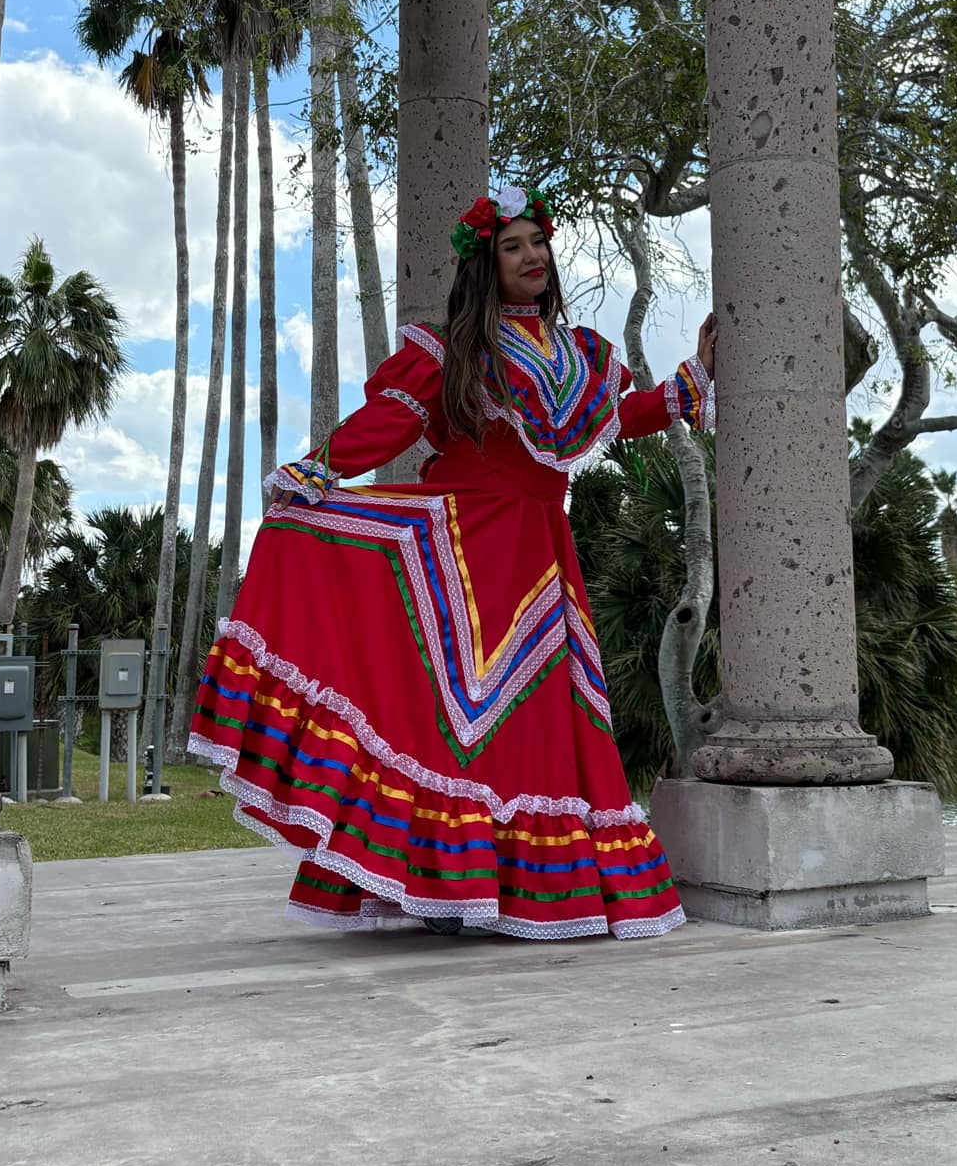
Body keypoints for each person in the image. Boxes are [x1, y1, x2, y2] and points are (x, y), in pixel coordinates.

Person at [189, 183, 716, 941]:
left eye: (537, 241)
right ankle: (436, 883)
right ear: (487, 264)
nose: (532, 255)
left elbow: (619, 416)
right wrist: (317, 470)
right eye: (512, 246)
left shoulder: (582, 354)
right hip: (455, 541)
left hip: (537, 551)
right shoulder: (454, 349)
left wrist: (688, 383)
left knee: (530, 719)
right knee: (436, 716)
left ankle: (494, 884)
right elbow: (390, 420)